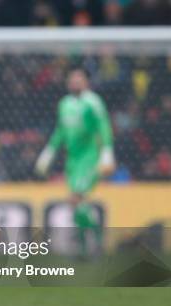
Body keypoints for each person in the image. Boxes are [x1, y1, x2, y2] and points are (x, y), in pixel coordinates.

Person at [35, 69, 115, 250]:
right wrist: (48, 152)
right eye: (72, 79)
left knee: (75, 199)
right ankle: (88, 244)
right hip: (72, 160)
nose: (75, 82)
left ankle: (94, 240)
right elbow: (61, 131)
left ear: (86, 82)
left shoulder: (93, 102)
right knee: (77, 205)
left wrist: (107, 152)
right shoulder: (65, 104)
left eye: (79, 79)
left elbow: (103, 126)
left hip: (90, 157)